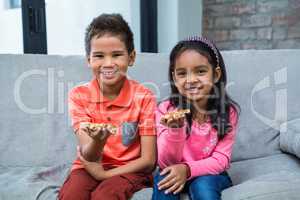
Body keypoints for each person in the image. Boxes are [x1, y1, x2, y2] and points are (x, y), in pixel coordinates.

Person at [58, 13, 157, 200]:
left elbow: (149, 161)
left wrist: (104, 175)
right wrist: (98, 140)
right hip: (89, 166)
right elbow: (88, 153)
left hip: (130, 170)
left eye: (117, 55)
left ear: (131, 57)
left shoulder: (144, 97)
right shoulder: (78, 95)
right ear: (89, 60)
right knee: (71, 195)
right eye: (99, 56)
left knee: (105, 196)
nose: (108, 63)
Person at [152, 36, 240, 200]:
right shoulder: (165, 110)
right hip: (173, 170)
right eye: (182, 73)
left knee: (203, 185)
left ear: (216, 74)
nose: (191, 80)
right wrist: (176, 130)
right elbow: (165, 163)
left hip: (209, 174)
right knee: (164, 180)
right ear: (175, 78)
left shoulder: (228, 113)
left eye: (200, 71)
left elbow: (221, 160)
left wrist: (187, 169)